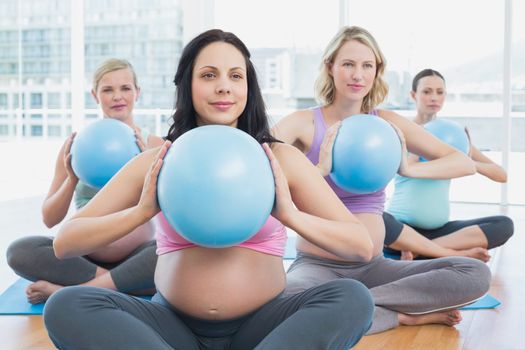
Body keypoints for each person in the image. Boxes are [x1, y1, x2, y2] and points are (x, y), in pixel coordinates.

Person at [43, 29, 374, 350]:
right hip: (172, 327)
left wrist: (290, 214)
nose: (223, 88)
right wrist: (142, 211)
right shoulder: (159, 161)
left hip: (263, 326)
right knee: (67, 304)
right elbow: (65, 241)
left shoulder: (279, 159)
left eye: (235, 76)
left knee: (353, 298)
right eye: (209, 75)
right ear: (188, 84)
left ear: (248, 87)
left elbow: (360, 246)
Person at [273, 26, 491, 334]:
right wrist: (318, 170)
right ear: (330, 67)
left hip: (375, 268)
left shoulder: (387, 124)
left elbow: (463, 162)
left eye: (367, 65)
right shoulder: (301, 124)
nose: (357, 74)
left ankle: (353, 306)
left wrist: (409, 169)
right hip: (317, 268)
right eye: (348, 64)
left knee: (474, 272)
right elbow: (261, 175)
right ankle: (401, 315)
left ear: (377, 72)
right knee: (285, 308)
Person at [6, 58, 164, 304]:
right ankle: (116, 285)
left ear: (137, 92)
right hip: (83, 259)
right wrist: (71, 178)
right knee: (20, 251)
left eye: (125, 88)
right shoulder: (77, 148)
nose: (117, 97)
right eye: (107, 90)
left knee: (170, 255)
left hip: (138, 255)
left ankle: (69, 290)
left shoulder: (156, 146)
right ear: (95, 95)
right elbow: (50, 219)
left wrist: (145, 164)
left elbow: (172, 215)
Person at [383, 69, 514, 261]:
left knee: (503, 225)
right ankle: (445, 252)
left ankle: (421, 251)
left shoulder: (455, 137)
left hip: (440, 232)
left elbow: (501, 175)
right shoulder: (401, 132)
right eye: (427, 91)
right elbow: (401, 171)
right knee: (379, 221)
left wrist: (465, 161)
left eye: (440, 92)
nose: (434, 97)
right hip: (402, 229)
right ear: (413, 95)